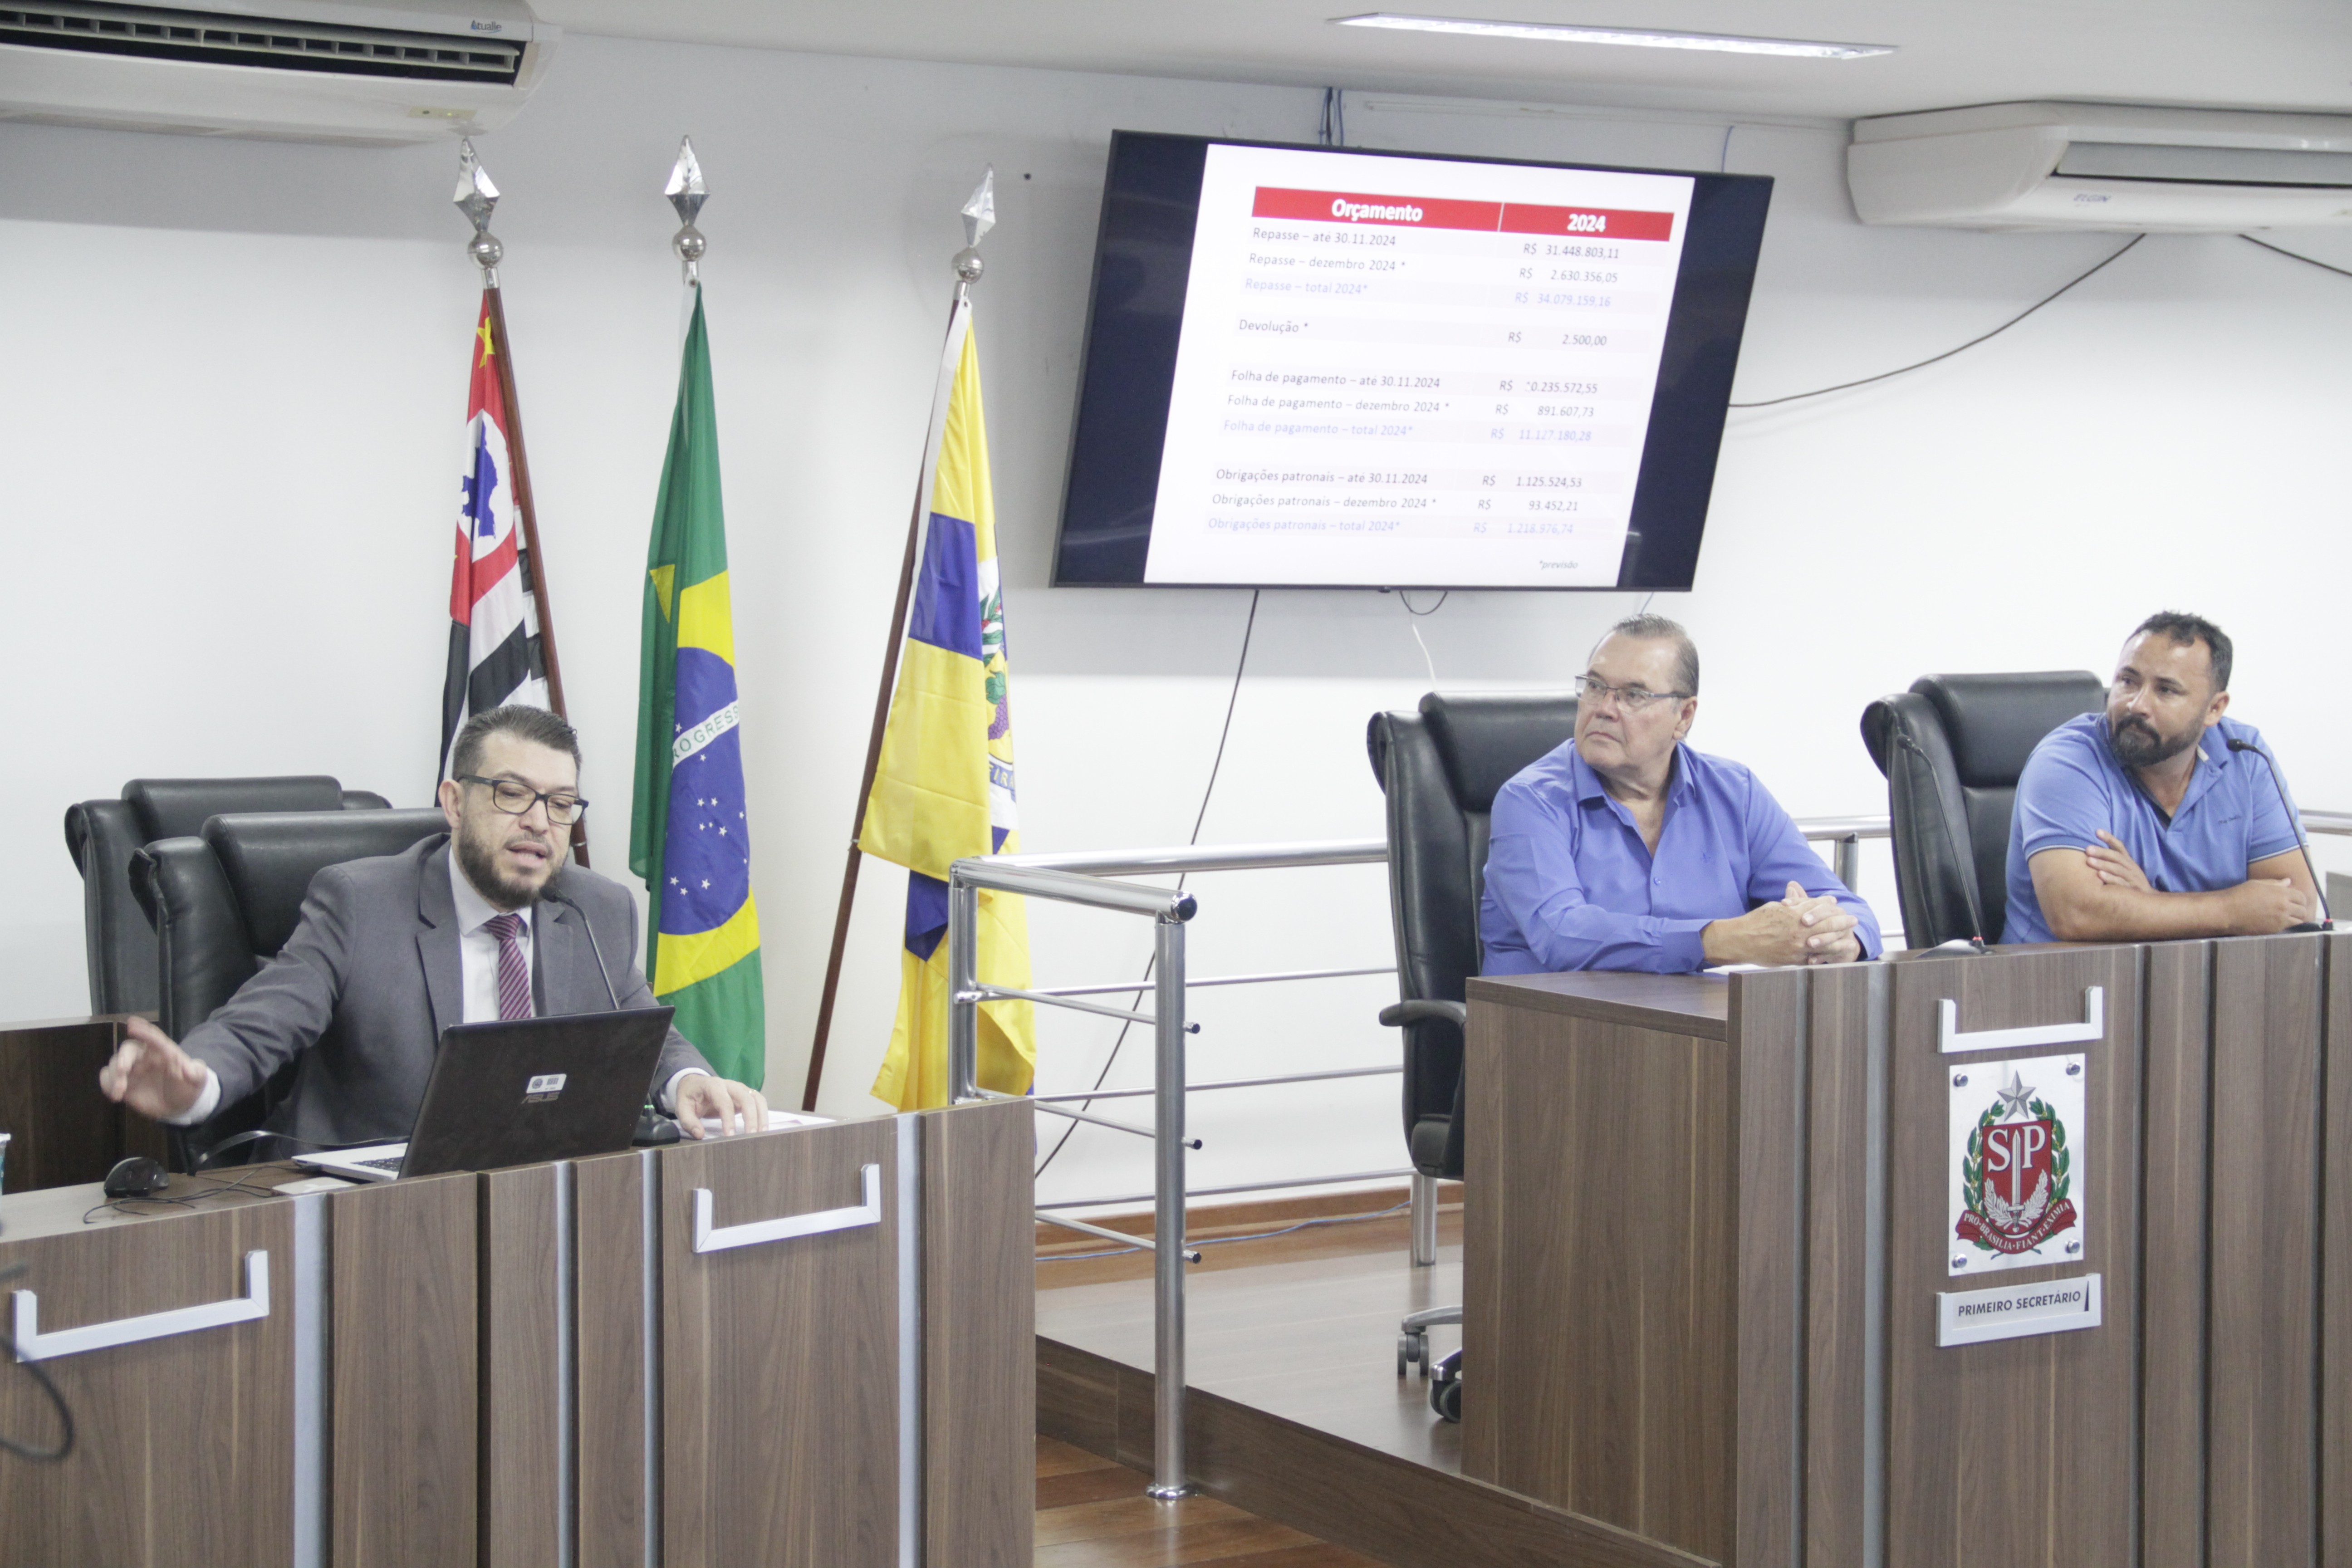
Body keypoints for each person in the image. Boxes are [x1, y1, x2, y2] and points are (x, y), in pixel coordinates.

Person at [99, 705, 769, 1145]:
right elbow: (260, 1023)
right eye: (513, 794)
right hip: (369, 1206)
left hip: (538, 1196)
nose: (540, 822)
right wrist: (196, 1083)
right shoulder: (359, 904)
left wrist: (688, 1082)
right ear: (454, 802)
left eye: (562, 804)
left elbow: (643, 1029)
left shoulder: (597, 909)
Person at [1481, 614, 1882, 974]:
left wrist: (1840, 939)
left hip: (1701, 1024)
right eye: (1596, 687)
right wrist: (1721, 940)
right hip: (1554, 1024)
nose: (1604, 708)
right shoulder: (1530, 801)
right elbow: (1563, 934)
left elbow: (1845, 907)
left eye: (1633, 695)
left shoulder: (1735, 793)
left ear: (1684, 716)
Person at [2003, 612, 2319, 945]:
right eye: (2128, 681)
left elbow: (2295, 905)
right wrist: (2231, 910)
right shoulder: (2067, 760)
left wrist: (2151, 901)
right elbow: (2078, 914)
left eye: (2166, 690)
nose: (2137, 704)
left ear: (2214, 709)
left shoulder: (2244, 755)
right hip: (2055, 973)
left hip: (2194, 972)